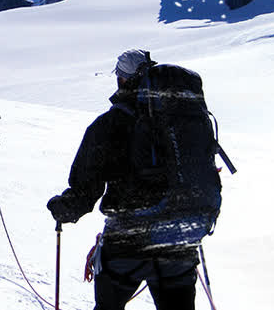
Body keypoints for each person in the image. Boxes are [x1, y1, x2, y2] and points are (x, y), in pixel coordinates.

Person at [47, 49, 203, 310]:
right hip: (178, 239)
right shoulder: (182, 120)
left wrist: (62, 208)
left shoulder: (108, 125)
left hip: (125, 242)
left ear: (122, 79)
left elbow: (84, 192)